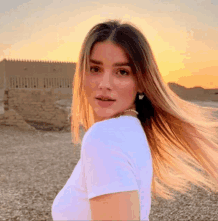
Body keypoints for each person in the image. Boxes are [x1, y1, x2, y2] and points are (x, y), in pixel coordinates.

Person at [52, 19, 218, 221]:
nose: (105, 84)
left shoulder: (105, 137)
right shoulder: (132, 130)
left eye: (122, 72)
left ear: (141, 83)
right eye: (95, 69)